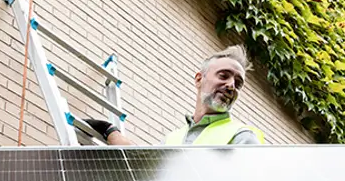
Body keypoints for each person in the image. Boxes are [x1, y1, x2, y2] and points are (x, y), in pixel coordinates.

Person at [87, 45, 265, 146]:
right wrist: (110, 131)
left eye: (238, 83)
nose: (231, 86)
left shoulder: (242, 136)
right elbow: (144, 169)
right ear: (199, 80)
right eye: (224, 75)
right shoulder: (173, 138)